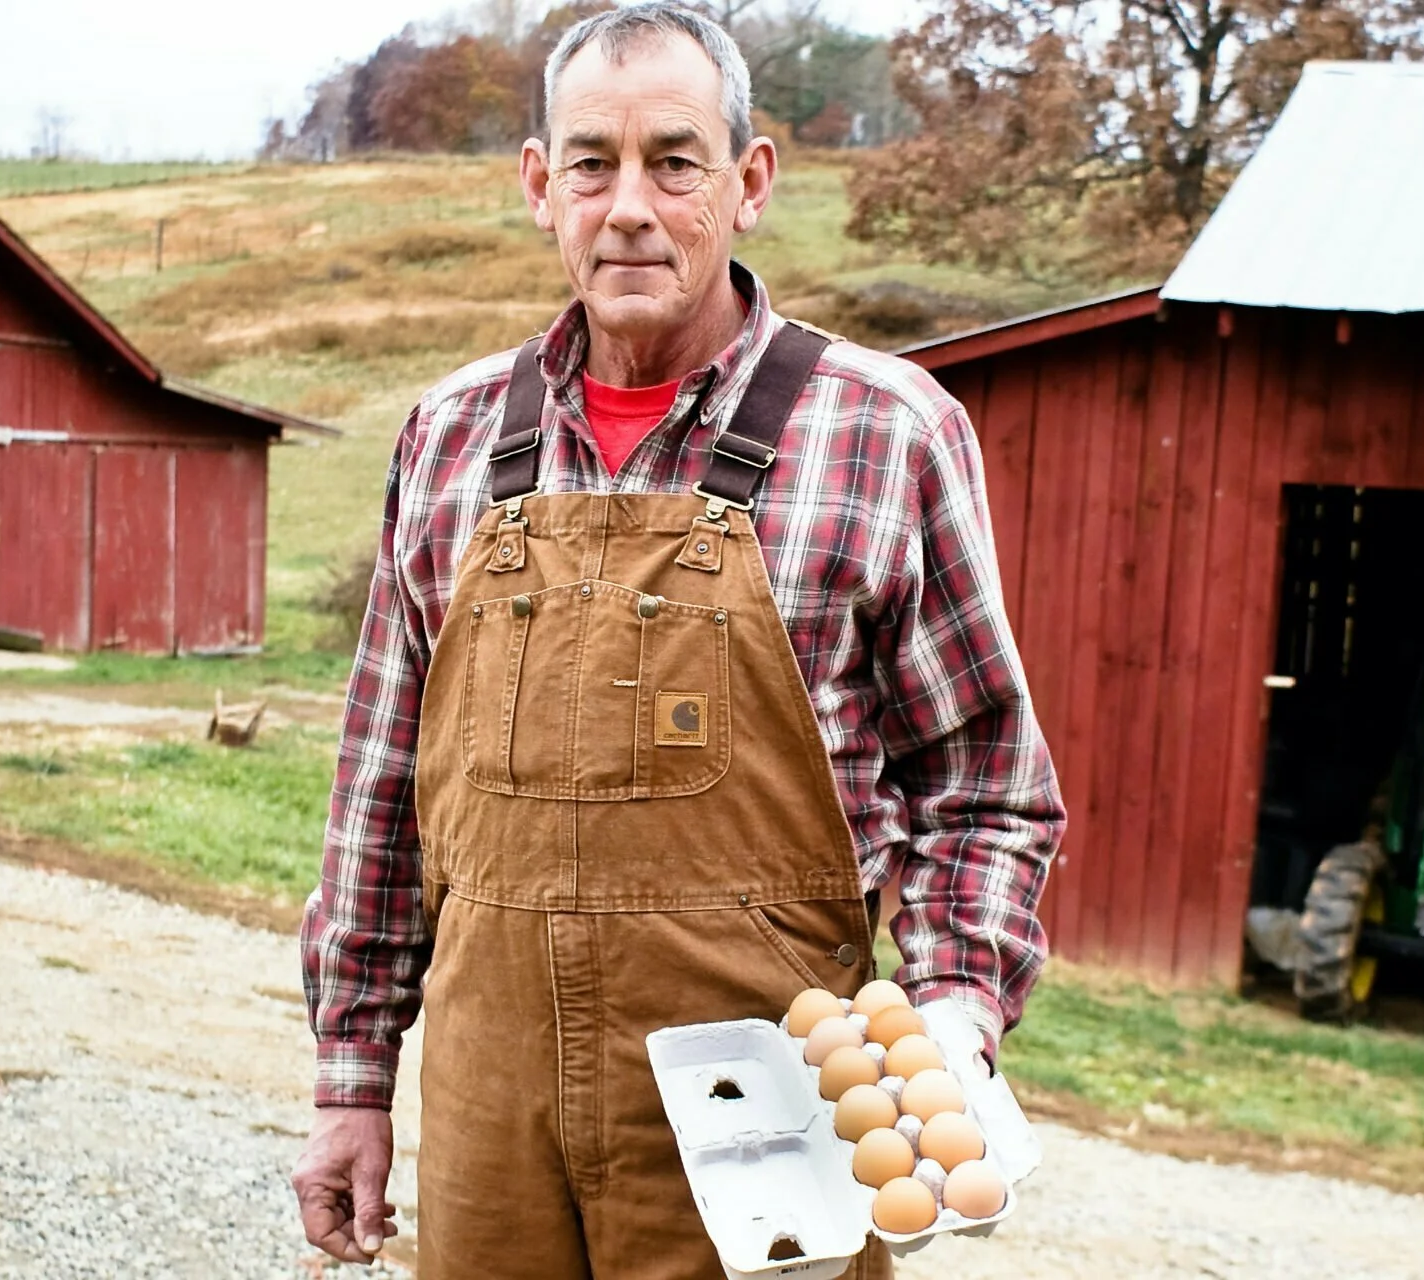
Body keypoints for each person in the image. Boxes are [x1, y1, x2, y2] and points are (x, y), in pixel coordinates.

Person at [290, 5, 1064, 1275]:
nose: (631, 204)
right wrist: (352, 1075)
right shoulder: (447, 435)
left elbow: (986, 784)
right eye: (591, 162)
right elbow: (379, 788)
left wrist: (954, 1011)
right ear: (541, 187)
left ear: (748, 183)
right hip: (492, 1123)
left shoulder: (886, 429)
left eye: (675, 159)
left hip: (771, 1129)